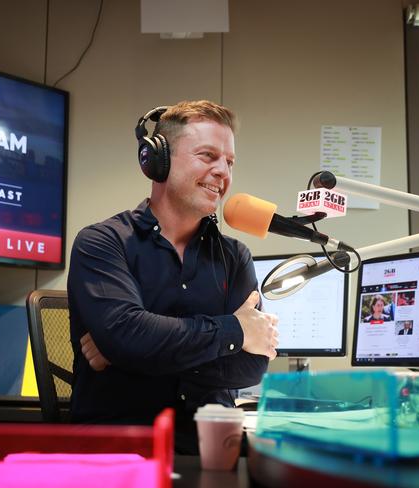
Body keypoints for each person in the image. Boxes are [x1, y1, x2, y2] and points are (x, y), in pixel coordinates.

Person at [67, 100, 279, 454]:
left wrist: (131, 356)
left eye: (229, 162)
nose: (222, 172)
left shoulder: (235, 256)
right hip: (120, 448)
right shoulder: (101, 243)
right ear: (157, 160)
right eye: (208, 155)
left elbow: (252, 365)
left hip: (209, 446)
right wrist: (235, 331)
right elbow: (129, 337)